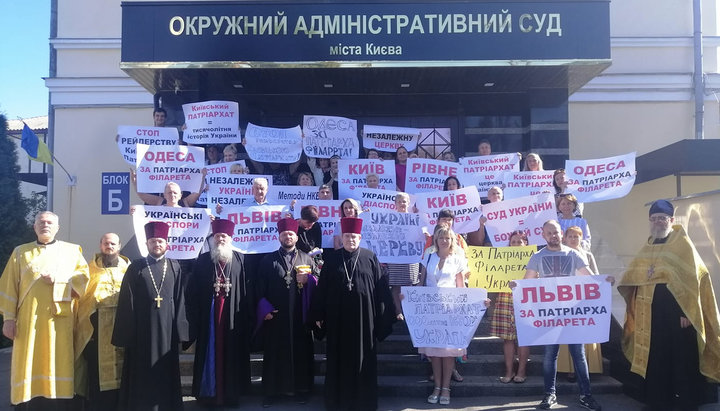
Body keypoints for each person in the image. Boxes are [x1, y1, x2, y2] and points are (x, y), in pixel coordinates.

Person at [618, 199, 720, 411]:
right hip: (651, 314)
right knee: (655, 354)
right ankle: (657, 398)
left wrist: (687, 312)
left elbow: (692, 280)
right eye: (654, 219)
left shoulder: (682, 244)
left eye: (662, 218)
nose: (658, 222)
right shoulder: (648, 245)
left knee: (680, 355)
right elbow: (634, 275)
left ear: (671, 220)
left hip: (678, 313)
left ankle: (686, 400)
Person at [0, 211, 89, 409]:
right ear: (34, 227)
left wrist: (58, 281)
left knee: (59, 359)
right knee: (28, 361)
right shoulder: (20, 252)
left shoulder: (72, 251)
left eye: (50, 222)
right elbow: (8, 287)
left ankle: (59, 400)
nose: (45, 225)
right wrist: (8, 319)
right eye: (41, 222)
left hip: (60, 321)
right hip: (28, 320)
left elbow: (83, 281)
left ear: (58, 227)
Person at [311, 217, 396, 411]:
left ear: (360, 237)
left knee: (364, 360)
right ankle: (337, 401)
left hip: (365, 322)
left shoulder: (370, 257)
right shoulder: (332, 259)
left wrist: (385, 314)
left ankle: (364, 401)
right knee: (337, 360)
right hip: (337, 320)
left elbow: (381, 289)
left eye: (354, 236)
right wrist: (318, 314)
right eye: (347, 236)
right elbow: (322, 289)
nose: (350, 239)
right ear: (341, 237)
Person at [519, 220, 603, 411]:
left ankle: (586, 395)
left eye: (556, 232)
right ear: (543, 235)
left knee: (579, 355)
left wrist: (604, 282)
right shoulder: (538, 257)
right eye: (549, 233)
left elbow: (588, 277)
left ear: (561, 233)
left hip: (573, 313)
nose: (553, 236)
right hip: (550, 315)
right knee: (550, 356)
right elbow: (527, 283)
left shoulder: (573, 254)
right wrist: (517, 288)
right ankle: (549, 394)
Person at [112, 221, 189, 411]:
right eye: (153, 241)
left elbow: (180, 300)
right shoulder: (135, 268)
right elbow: (126, 301)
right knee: (141, 370)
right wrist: (127, 332)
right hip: (141, 332)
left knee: (165, 370)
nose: (157, 244)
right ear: (147, 244)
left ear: (167, 244)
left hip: (167, 331)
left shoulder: (175, 267)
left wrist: (181, 331)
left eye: (161, 241)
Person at [186, 218, 253, 406]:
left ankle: (231, 395)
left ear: (230, 237)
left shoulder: (240, 258)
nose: (221, 239)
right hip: (209, 315)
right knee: (210, 352)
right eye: (217, 236)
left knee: (232, 352)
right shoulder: (203, 260)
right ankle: (209, 395)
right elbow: (193, 291)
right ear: (213, 238)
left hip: (232, 316)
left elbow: (246, 290)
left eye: (224, 236)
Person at [256, 217, 319, 407]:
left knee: (301, 352)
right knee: (274, 353)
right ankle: (271, 392)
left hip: (300, 316)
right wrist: (264, 310)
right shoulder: (268, 259)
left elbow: (318, 284)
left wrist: (309, 280)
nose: (288, 237)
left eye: (291, 234)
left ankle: (302, 390)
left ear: (296, 237)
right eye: (284, 234)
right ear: (279, 237)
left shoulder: (307, 258)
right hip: (276, 316)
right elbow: (258, 289)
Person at [76, 233, 129, 411]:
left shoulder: (128, 269)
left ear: (119, 246)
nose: (109, 246)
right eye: (106, 243)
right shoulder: (89, 270)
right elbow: (83, 300)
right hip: (96, 331)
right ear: (100, 245)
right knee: (96, 374)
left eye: (113, 243)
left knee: (124, 371)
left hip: (122, 327)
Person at [418, 226, 470, 406]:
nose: (444, 241)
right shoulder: (429, 256)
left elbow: (461, 287)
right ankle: (437, 387)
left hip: (451, 310)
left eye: (447, 238)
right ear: (436, 240)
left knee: (448, 352)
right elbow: (422, 283)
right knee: (434, 351)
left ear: (452, 240)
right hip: (431, 309)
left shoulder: (457, 259)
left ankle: (446, 387)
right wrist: (410, 298)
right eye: (441, 237)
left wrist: (474, 303)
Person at [557, 226, 602, 382]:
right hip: (566, 301)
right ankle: (569, 369)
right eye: (571, 236)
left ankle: (587, 367)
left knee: (585, 333)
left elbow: (596, 277)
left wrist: (606, 281)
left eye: (577, 236)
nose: (574, 239)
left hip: (585, 301)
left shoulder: (588, 255)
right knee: (568, 333)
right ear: (565, 238)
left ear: (581, 238)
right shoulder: (560, 255)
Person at [490, 230, 531, 384]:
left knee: (524, 338)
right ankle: (509, 371)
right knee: (507, 339)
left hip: (525, 300)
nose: (515, 244)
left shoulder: (533, 258)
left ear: (525, 243)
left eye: (519, 242)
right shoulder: (503, 259)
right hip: (505, 298)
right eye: (513, 242)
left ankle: (521, 371)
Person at [386, 192, 420, 320]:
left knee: (410, 284)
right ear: (395, 204)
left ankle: (409, 310)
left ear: (408, 203)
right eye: (399, 201)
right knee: (396, 285)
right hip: (395, 256)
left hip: (411, 256)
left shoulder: (415, 218)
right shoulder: (389, 219)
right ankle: (398, 310)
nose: (402, 203)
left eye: (404, 201)